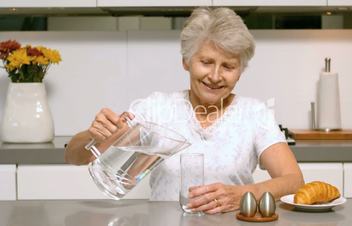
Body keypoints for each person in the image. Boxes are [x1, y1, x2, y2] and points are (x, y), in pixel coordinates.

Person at [65, 7, 304, 214]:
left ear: (240, 71)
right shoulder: (157, 109)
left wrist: (245, 194)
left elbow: (294, 181)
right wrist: (93, 134)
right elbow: (74, 157)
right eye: (207, 62)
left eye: (228, 66)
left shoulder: (254, 114)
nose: (215, 76)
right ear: (186, 61)